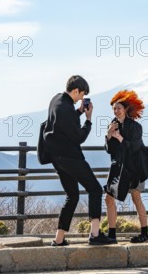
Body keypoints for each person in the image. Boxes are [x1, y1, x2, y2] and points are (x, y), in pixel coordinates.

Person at [43, 75, 114, 246]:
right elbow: (78, 137)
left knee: (72, 196)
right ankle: (95, 235)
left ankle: (59, 239)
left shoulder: (57, 100)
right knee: (95, 189)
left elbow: (64, 124)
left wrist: (79, 111)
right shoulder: (66, 108)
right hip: (70, 157)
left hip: (57, 158)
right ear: (75, 91)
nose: (82, 98)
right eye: (82, 94)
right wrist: (88, 119)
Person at [104, 90, 148, 243]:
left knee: (136, 197)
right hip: (118, 167)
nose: (116, 111)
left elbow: (135, 148)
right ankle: (112, 235)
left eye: (119, 108)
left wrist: (119, 138)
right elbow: (109, 149)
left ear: (126, 109)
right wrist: (109, 135)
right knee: (108, 198)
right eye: (114, 108)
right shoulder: (113, 125)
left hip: (134, 168)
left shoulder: (136, 127)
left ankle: (145, 234)